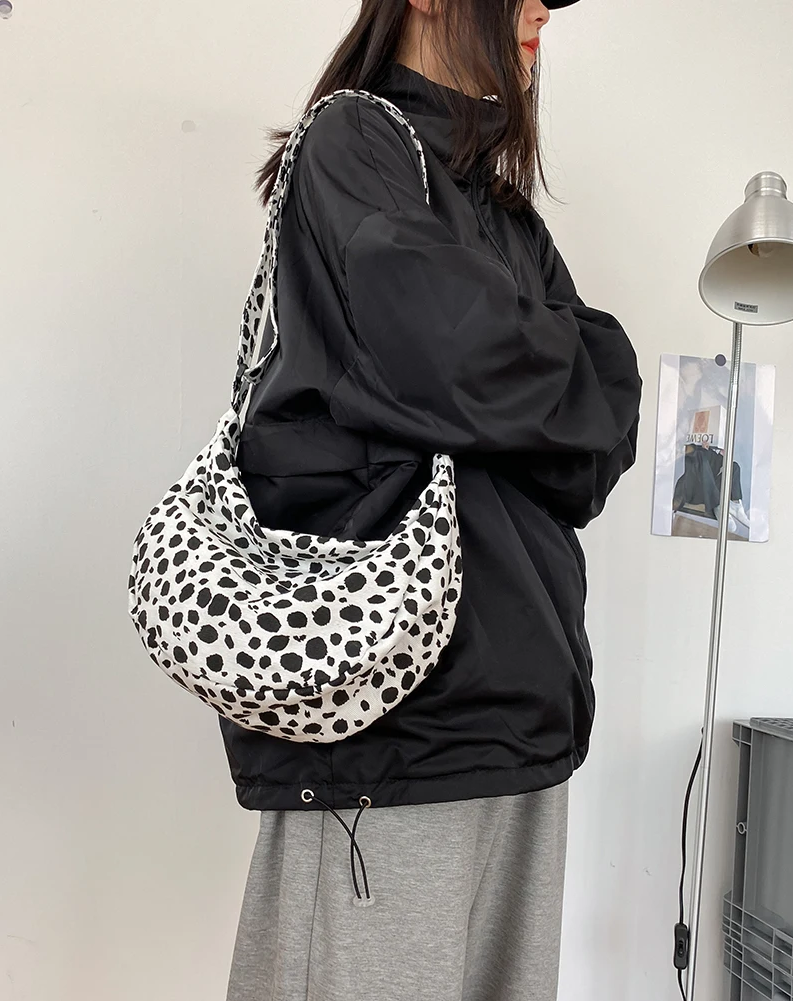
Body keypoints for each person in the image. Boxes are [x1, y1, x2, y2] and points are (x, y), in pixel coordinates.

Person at [223, 0, 641, 998]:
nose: (540, 10)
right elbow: (463, 360)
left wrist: (523, 382)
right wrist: (536, 378)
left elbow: (602, 431)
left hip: (522, 723)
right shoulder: (355, 142)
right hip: (391, 733)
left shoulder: (502, 212)